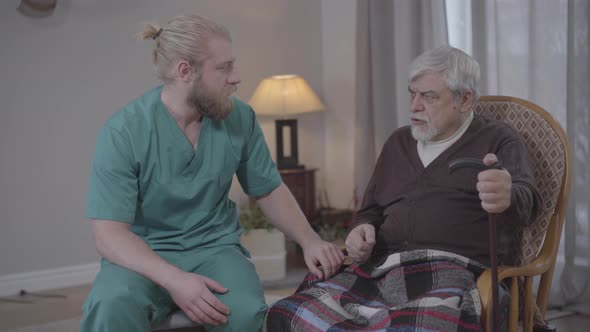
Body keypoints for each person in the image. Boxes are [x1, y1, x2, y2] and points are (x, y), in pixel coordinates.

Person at [81, 14, 344, 332]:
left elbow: (267, 188)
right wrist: (175, 280)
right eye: (224, 68)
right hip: (144, 256)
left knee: (246, 314)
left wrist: (309, 240)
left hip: (214, 248)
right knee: (110, 307)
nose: (237, 78)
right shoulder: (123, 132)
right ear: (184, 71)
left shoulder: (240, 119)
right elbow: (109, 234)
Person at [265, 46, 541, 331]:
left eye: (429, 97)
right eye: (412, 93)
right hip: (380, 271)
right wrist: (360, 231)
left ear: (465, 99)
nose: (414, 107)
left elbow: (528, 204)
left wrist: (507, 194)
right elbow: (369, 211)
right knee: (286, 312)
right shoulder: (398, 142)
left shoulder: (498, 139)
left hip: (453, 274)